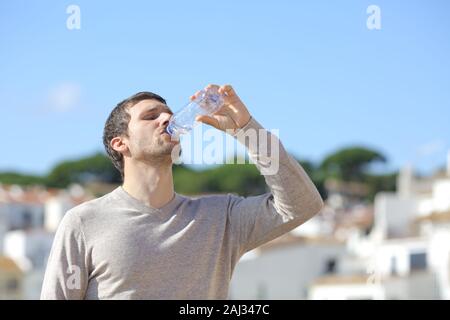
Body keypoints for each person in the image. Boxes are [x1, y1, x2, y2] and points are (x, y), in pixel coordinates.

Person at [40, 84, 324, 299]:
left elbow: (302, 204)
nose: (166, 119)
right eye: (150, 116)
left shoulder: (221, 219)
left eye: (169, 114)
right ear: (120, 143)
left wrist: (247, 130)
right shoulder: (83, 222)